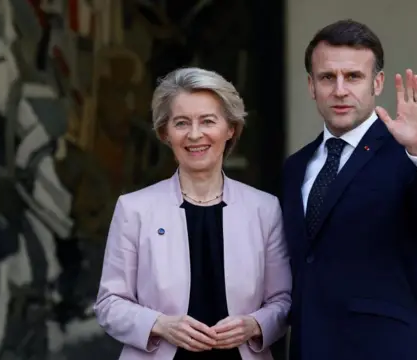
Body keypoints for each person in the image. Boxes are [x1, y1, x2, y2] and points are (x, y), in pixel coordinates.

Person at [280, 19, 417, 360]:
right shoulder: (296, 167)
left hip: (386, 347)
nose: (339, 90)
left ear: (377, 82)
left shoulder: (405, 152)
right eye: (327, 77)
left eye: (353, 77)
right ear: (311, 85)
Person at [94, 67, 292, 360]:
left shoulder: (264, 209)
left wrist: (254, 325)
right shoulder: (134, 208)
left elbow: (283, 301)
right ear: (165, 132)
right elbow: (109, 303)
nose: (195, 134)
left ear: (231, 129)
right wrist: (159, 324)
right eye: (182, 123)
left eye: (208, 121)